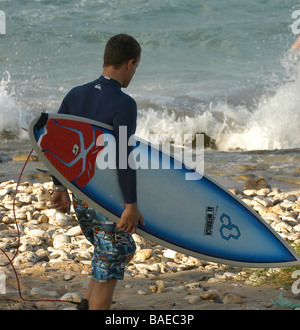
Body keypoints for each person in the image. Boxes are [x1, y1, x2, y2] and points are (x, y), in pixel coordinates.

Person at [50, 34, 145, 310]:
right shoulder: (124, 103)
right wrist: (130, 205)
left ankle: (85, 305)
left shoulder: (75, 95)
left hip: (83, 195)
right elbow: (123, 156)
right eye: (136, 67)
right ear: (129, 63)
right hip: (108, 199)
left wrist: (59, 187)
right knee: (110, 262)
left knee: (118, 252)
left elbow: (55, 146)